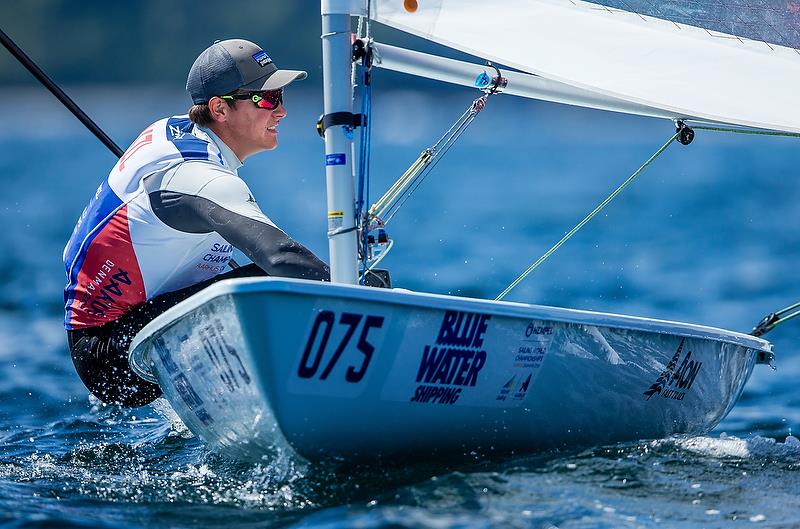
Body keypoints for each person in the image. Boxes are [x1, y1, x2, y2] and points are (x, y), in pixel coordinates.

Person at [63, 39, 334, 408]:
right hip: (112, 356)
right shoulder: (196, 177)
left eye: (281, 95)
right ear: (219, 108)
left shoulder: (174, 131)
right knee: (277, 283)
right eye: (267, 98)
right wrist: (361, 294)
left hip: (128, 322)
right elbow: (281, 256)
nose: (282, 111)